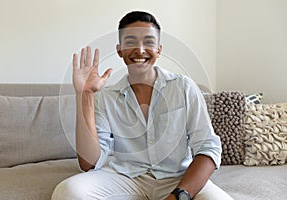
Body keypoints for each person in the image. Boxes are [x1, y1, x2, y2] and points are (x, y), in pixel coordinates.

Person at [52, 11, 233, 200]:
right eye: (130, 42)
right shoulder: (106, 97)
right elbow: (89, 163)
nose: (140, 49)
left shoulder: (183, 87)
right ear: (119, 50)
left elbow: (207, 147)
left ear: (159, 49)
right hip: (126, 177)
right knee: (68, 192)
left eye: (148, 42)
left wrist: (180, 195)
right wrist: (85, 95)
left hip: (177, 179)